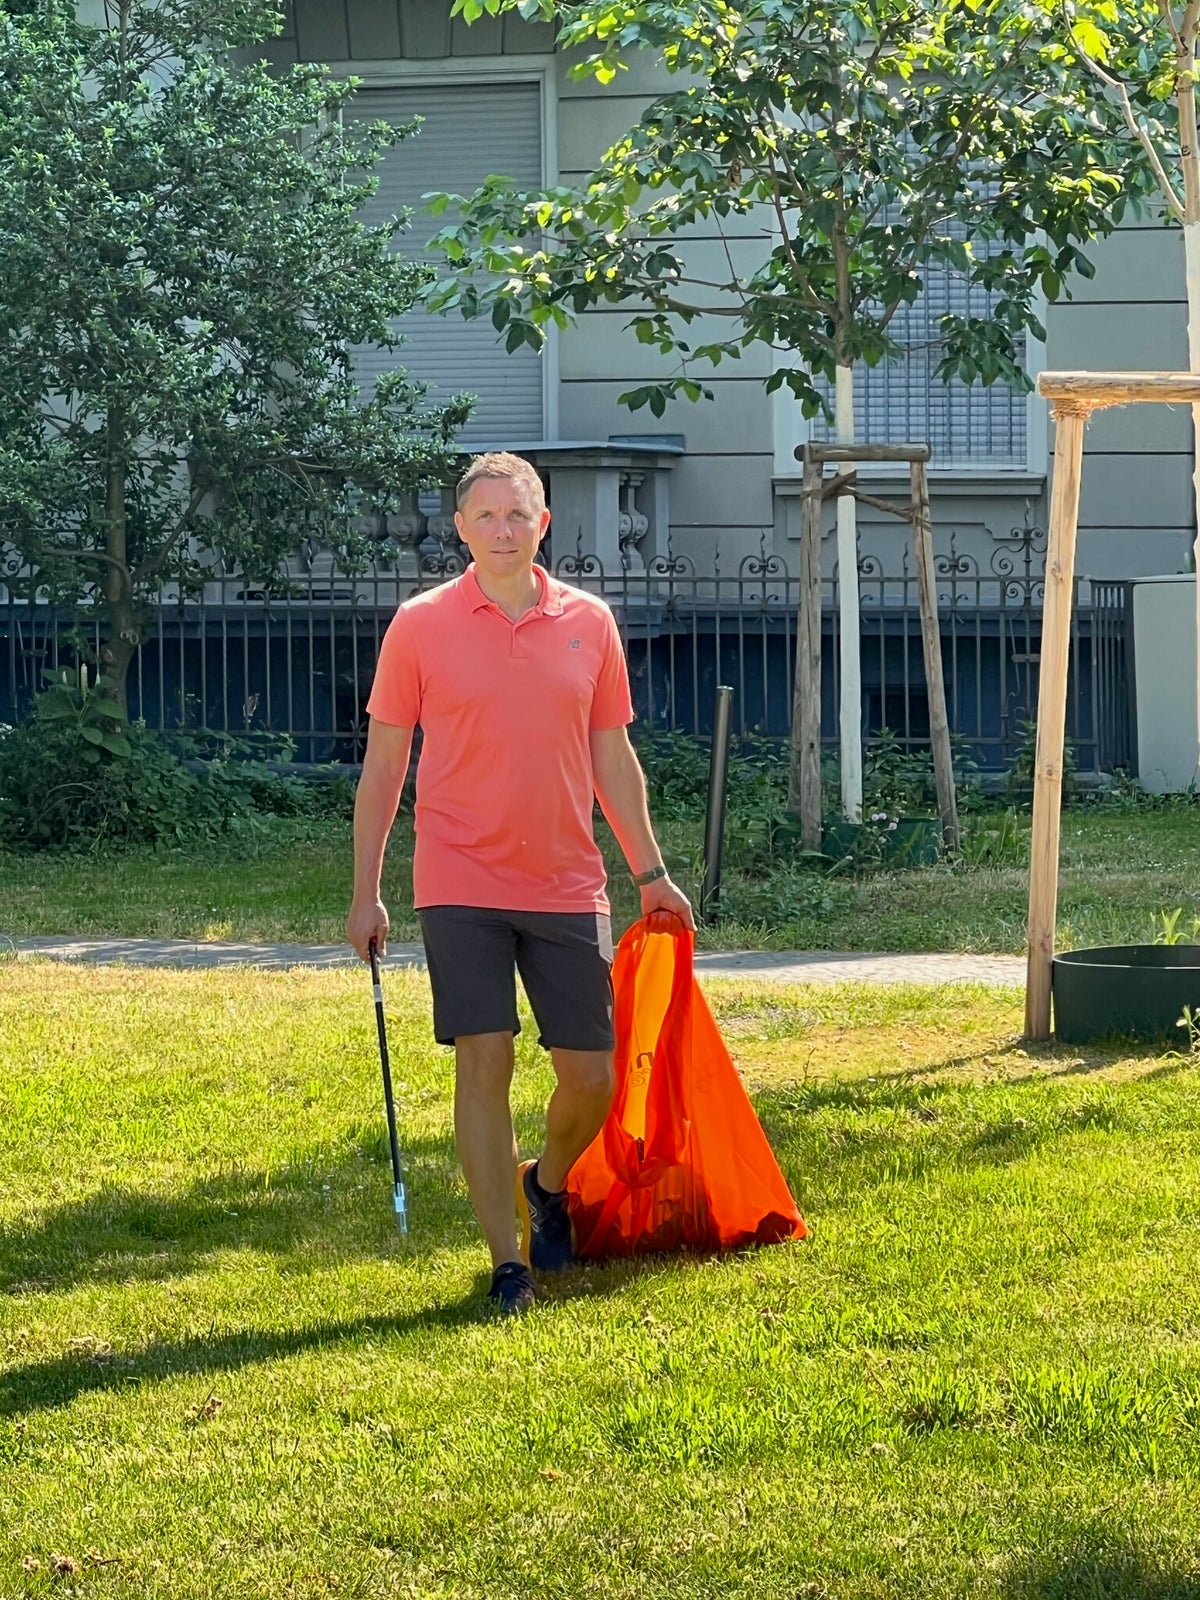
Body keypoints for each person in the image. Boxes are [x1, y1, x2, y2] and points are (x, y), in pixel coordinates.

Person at [346, 451, 694, 1316]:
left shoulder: (590, 622)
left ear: (544, 524)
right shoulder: (420, 625)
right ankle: (509, 1263)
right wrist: (366, 890)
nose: (503, 530)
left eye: (518, 514)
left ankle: (547, 1183)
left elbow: (613, 756)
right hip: (457, 876)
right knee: (485, 1057)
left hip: (567, 880)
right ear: (460, 528)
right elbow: (385, 766)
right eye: (486, 515)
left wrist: (650, 872)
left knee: (593, 1076)